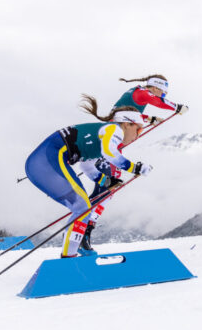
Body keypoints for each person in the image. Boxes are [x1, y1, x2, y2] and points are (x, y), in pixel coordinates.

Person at [24, 103, 152, 258]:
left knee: (83, 207)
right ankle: (68, 258)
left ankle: (71, 250)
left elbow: (87, 167)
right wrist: (135, 167)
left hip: (41, 163)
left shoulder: (103, 135)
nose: (138, 135)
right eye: (138, 129)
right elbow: (110, 153)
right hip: (48, 160)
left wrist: (106, 181)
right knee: (83, 206)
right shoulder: (113, 129)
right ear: (127, 124)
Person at [111, 74, 189, 121]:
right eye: (163, 94)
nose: (162, 96)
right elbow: (159, 102)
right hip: (117, 128)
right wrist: (177, 107)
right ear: (155, 88)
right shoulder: (143, 93)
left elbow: (128, 115)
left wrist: (149, 119)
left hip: (114, 125)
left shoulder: (137, 91)